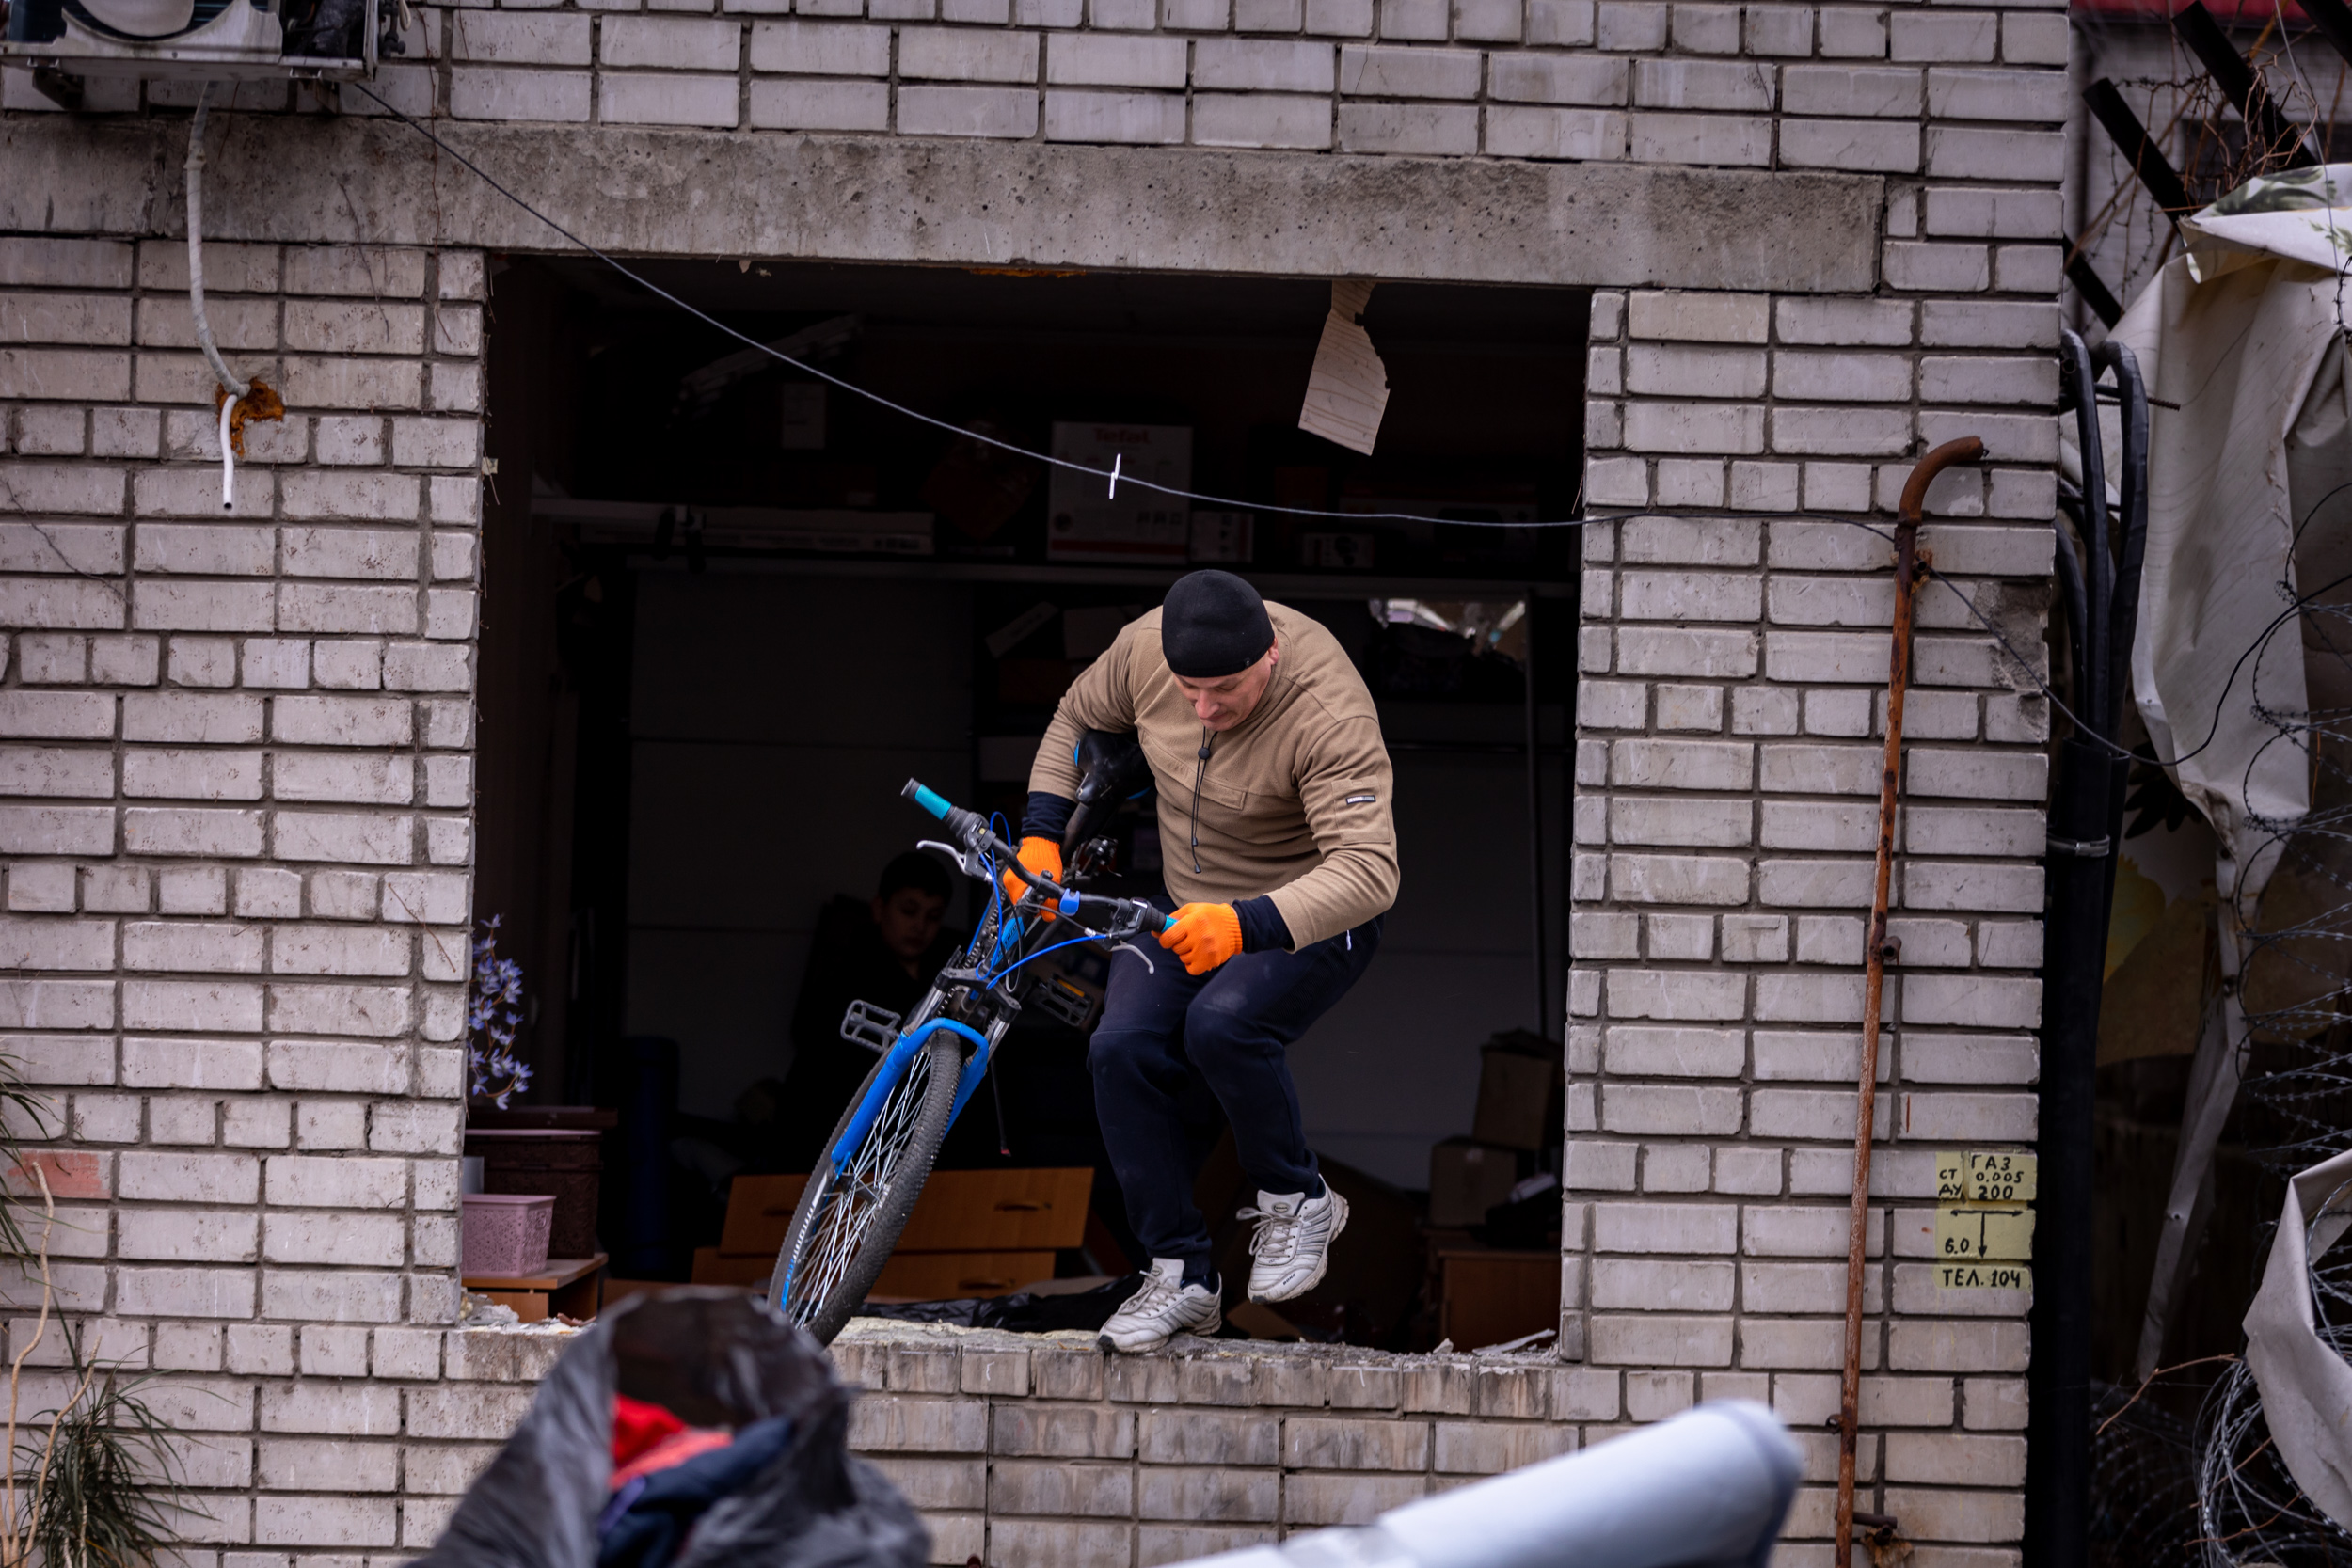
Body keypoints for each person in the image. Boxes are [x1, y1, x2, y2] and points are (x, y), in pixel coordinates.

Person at [1009, 570, 1398, 1352]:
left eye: (1224, 690)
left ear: (1271, 655)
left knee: (1221, 1025)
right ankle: (1181, 1273)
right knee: (1119, 1047)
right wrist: (1042, 829)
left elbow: (1370, 872)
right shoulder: (1141, 650)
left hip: (1308, 912)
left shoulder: (1329, 711)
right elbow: (1073, 716)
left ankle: (1297, 1196)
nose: (1204, 709)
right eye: (1189, 690)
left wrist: (1245, 923)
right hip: (1189, 899)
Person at [778, 850, 961, 1169]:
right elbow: (814, 1085)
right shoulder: (842, 985)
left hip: (916, 1158)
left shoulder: (950, 987)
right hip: (839, 1154)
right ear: (879, 908)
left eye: (933, 916)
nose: (919, 926)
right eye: (909, 911)